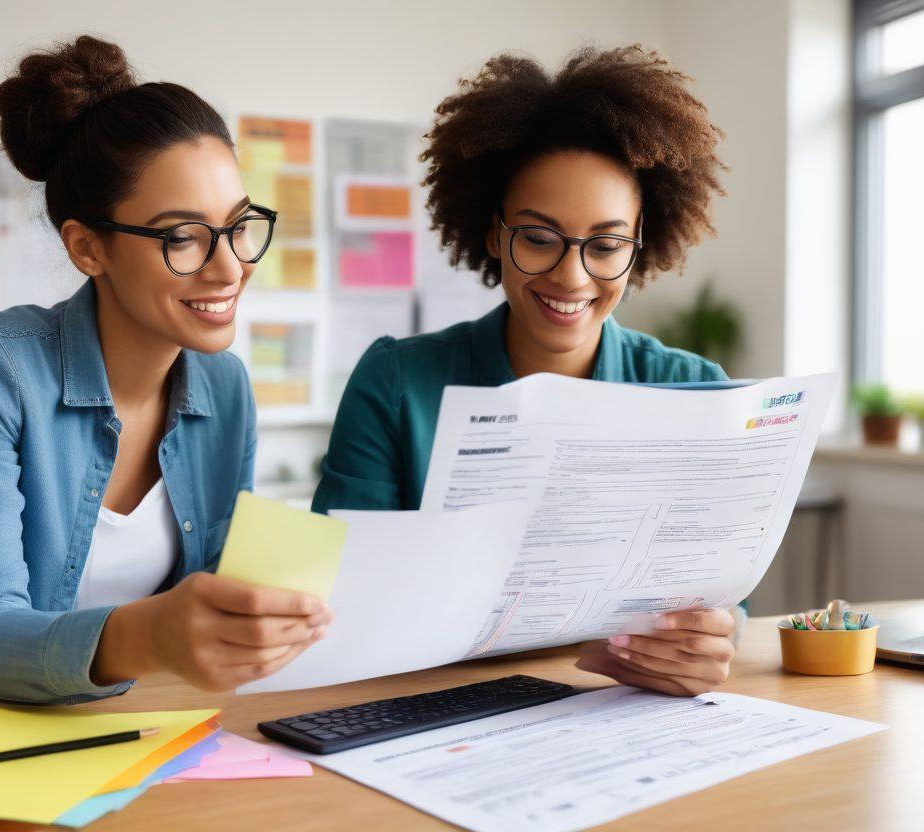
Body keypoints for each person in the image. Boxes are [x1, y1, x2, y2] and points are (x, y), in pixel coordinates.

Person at [0, 36, 331, 704]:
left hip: (140, 732)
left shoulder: (225, 387)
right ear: (87, 247)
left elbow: (209, 617)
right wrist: (150, 636)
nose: (230, 267)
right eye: (182, 237)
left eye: (239, 226)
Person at [313, 46, 738, 697]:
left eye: (605, 245)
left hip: (625, 711)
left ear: (638, 245)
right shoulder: (396, 383)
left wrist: (712, 633)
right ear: (492, 232)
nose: (572, 276)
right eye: (539, 238)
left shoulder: (695, 389)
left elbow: (721, 595)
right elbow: (339, 594)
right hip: (430, 710)